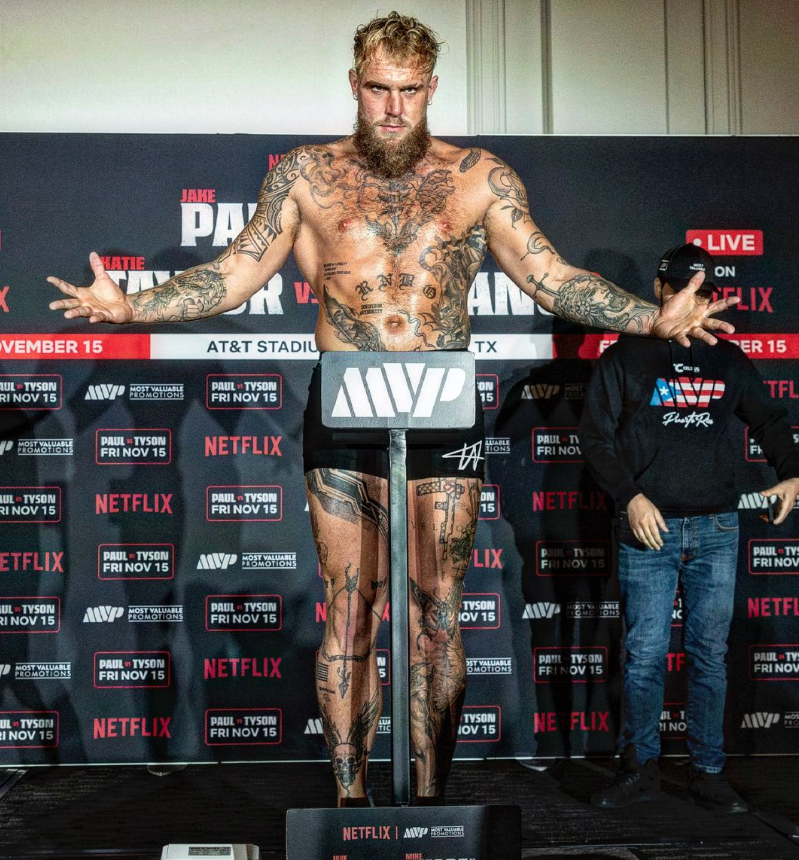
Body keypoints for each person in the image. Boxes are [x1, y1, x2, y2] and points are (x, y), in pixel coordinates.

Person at [48, 13, 738, 807]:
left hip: (442, 405)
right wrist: (132, 308)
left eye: (408, 91)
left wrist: (647, 319)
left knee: (437, 614)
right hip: (347, 404)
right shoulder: (306, 175)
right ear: (355, 84)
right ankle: (350, 804)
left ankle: (431, 806)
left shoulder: (479, 178)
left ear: (431, 88)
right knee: (350, 612)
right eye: (378, 88)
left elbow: (549, 277)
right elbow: (234, 273)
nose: (392, 107)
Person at [579, 243, 799, 813]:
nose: (689, 300)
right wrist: (630, 498)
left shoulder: (728, 359)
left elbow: (771, 420)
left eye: (701, 292)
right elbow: (595, 438)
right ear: (659, 290)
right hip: (648, 533)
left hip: (716, 528)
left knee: (708, 657)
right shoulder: (625, 356)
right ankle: (639, 768)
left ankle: (708, 771)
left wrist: (792, 473)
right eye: (679, 288)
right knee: (645, 656)